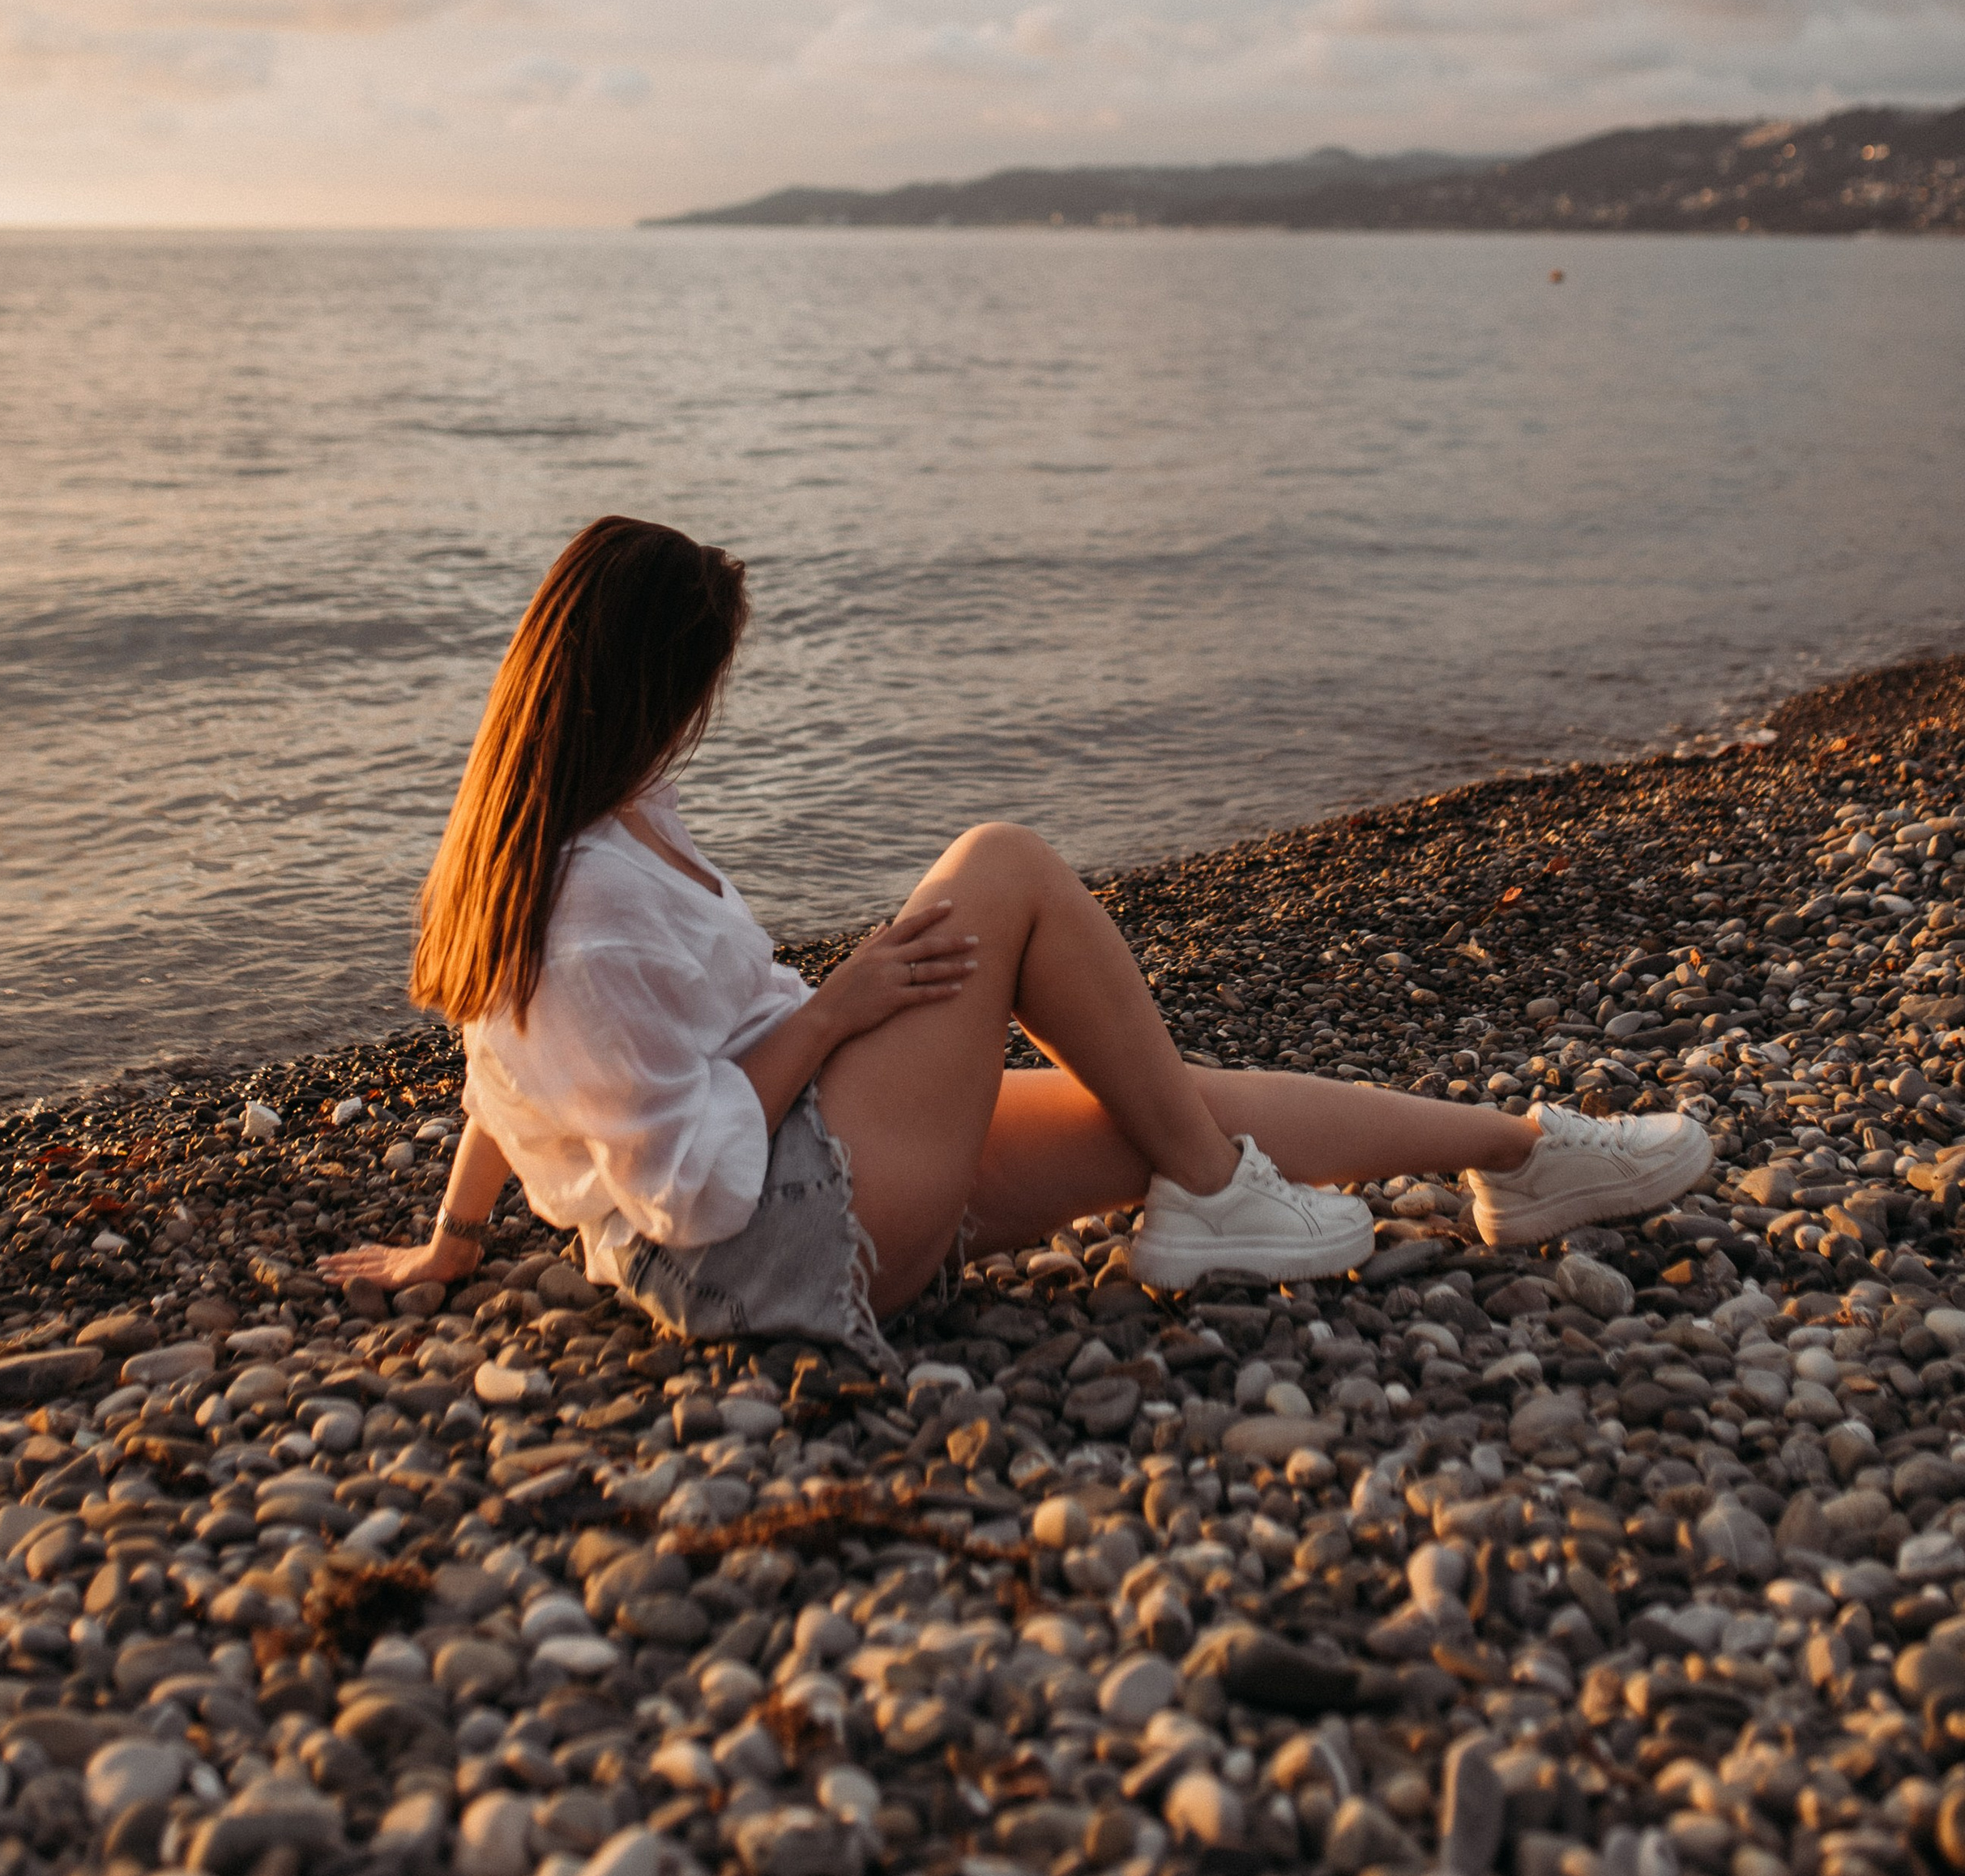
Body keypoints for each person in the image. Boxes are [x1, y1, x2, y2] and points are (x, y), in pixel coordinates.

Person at [322, 517, 1711, 1366]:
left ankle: (1527, 1161)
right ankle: (1225, 1206)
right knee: (1005, 867)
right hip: (777, 1239)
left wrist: (451, 1242)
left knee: (1161, 1111)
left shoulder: (574, 827)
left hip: (811, 1152)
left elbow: (512, 1075)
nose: (708, 713)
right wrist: (837, 1010)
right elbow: (686, 1185)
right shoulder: (586, 905)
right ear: (644, 692)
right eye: (702, 685)